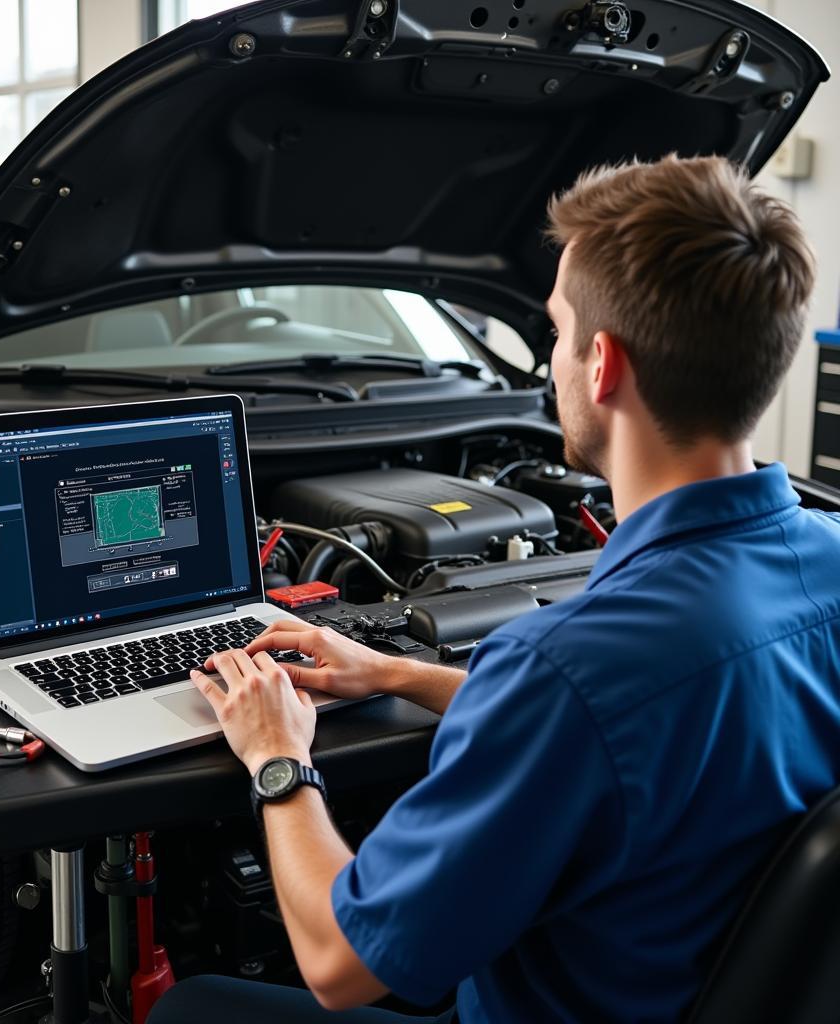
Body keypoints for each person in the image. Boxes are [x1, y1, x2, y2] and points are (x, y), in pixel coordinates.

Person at [149, 155, 840, 1024]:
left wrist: (278, 759)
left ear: (603, 367)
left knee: (193, 1010)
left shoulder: (562, 671)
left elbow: (337, 962)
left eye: (555, 332)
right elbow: (643, 730)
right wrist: (396, 673)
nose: (549, 361)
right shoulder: (828, 558)